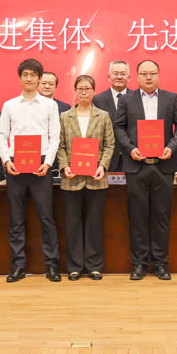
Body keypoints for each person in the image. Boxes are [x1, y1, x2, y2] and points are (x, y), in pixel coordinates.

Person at [113, 60, 177, 281]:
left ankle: (160, 264)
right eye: (144, 73)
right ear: (136, 76)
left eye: (152, 73)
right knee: (137, 217)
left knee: (161, 217)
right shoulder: (127, 99)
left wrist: (171, 147)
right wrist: (130, 149)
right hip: (136, 166)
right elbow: (118, 127)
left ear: (158, 75)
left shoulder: (170, 98)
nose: (148, 77)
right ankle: (138, 264)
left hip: (163, 167)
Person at [0, 58, 62, 283]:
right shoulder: (10, 105)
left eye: (34, 75)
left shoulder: (50, 105)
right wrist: (6, 160)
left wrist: (48, 162)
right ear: (20, 78)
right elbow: (1, 135)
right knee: (16, 219)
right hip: (15, 165)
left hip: (41, 164)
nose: (30, 78)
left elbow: (55, 137)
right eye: (26, 75)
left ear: (40, 79)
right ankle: (18, 266)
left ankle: (51, 265)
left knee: (47, 217)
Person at [56, 75, 115, 281]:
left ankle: (94, 266)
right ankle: (74, 266)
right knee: (72, 224)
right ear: (75, 91)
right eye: (80, 88)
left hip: (96, 179)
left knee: (94, 224)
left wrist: (102, 166)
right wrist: (64, 166)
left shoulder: (103, 116)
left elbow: (109, 144)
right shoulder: (64, 117)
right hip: (71, 179)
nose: (84, 92)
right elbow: (60, 145)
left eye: (88, 88)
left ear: (93, 91)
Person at [92, 60, 132, 172]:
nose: (119, 77)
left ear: (129, 77)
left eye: (123, 74)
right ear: (109, 77)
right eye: (115, 73)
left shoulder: (137, 98)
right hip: (107, 160)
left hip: (132, 157)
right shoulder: (97, 100)